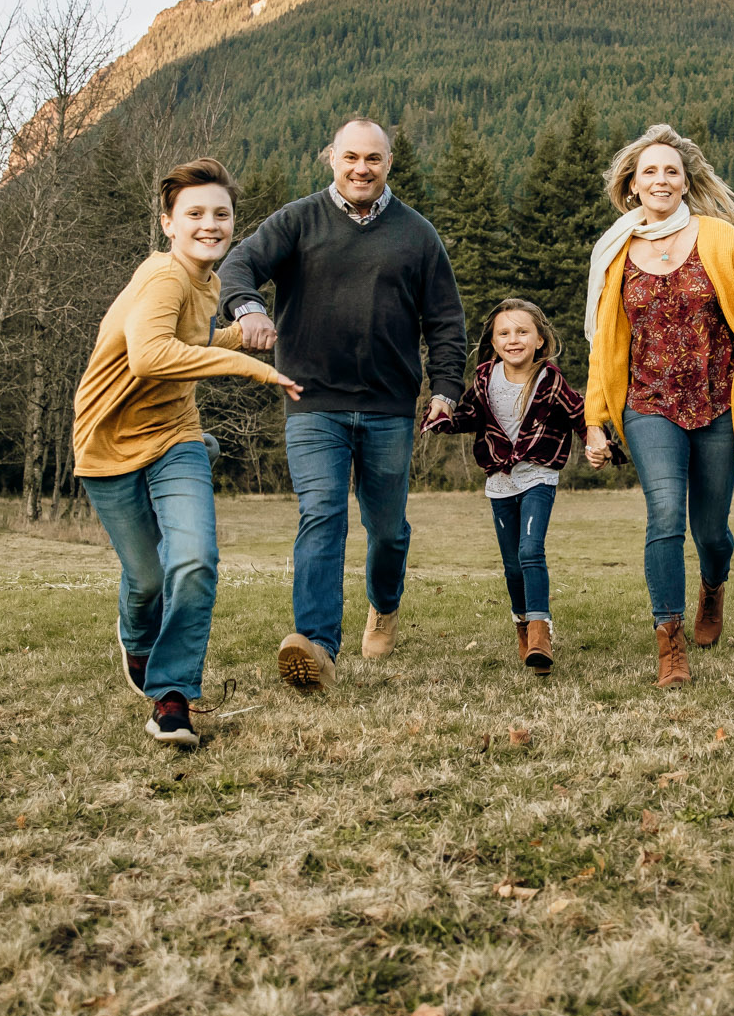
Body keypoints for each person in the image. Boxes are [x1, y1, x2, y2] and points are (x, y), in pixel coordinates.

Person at [218, 116, 466, 691]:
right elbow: (240, 265)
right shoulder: (298, 221)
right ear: (331, 157)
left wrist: (447, 389)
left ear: (388, 164)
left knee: (387, 531)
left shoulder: (417, 234)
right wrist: (247, 307)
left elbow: (446, 321)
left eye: (373, 159)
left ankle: (384, 604)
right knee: (322, 514)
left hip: (388, 407)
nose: (361, 168)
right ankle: (317, 647)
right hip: (312, 400)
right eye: (351, 157)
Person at [72, 159, 304, 746]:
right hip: (107, 443)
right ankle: (137, 636)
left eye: (220, 214)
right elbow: (151, 356)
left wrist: (244, 334)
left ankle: (172, 697)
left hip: (175, 433)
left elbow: (192, 341)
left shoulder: (209, 283)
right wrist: (248, 367)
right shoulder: (164, 278)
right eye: (194, 214)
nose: (210, 224)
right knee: (147, 580)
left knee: (195, 561)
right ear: (167, 224)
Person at [582, 123, 734, 687]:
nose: (660, 179)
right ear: (631, 184)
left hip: (719, 402)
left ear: (686, 181)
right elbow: (606, 344)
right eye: (648, 170)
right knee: (666, 516)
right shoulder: (616, 253)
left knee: (712, 531)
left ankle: (713, 585)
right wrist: (595, 419)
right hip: (649, 404)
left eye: (670, 170)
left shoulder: (719, 238)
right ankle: (669, 639)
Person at [422, 297, 585, 673]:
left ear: (540, 340)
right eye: (504, 333)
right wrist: (441, 417)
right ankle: (524, 628)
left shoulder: (550, 380)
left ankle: (541, 631)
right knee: (513, 566)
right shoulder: (483, 379)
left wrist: (598, 439)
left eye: (523, 331)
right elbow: (467, 417)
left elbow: (579, 413)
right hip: (499, 481)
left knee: (530, 550)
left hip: (538, 475)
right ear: (493, 343)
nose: (514, 339)